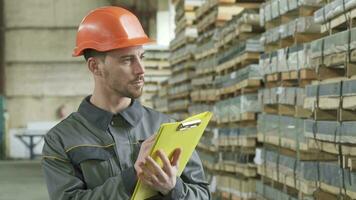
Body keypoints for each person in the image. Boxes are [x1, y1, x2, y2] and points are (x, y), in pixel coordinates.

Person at [41, 6, 210, 200]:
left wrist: (173, 188)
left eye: (141, 57)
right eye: (127, 60)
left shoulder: (167, 127)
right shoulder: (61, 140)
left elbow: (203, 195)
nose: (141, 70)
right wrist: (131, 179)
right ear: (95, 66)